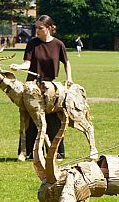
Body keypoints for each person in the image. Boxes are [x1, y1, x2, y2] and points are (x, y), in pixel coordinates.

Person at [10, 15, 73, 159]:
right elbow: (27, 63)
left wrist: (69, 78)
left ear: (49, 28)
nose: (37, 30)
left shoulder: (58, 44)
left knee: (52, 120)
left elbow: (66, 62)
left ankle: (56, 153)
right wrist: (19, 67)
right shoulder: (32, 43)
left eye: (40, 28)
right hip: (32, 86)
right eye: (36, 27)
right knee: (32, 120)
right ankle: (29, 153)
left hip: (50, 86)